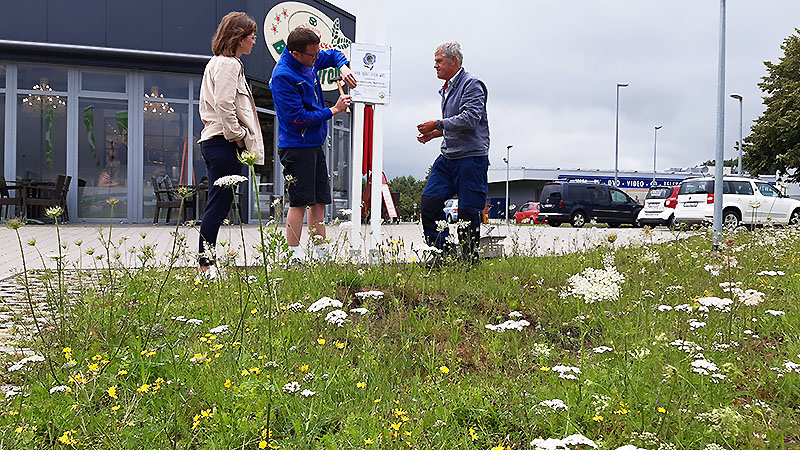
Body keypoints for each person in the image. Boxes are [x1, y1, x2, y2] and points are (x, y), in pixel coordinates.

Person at [270, 26, 356, 263]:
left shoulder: (309, 60)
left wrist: (343, 65)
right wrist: (333, 110)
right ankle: (292, 256)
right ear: (296, 53)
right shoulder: (283, 76)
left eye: (317, 54)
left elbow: (334, 54)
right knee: (299, 200)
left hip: (314, 144)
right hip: (296, 146)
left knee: (319, 199)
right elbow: (296, 118)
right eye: (312, 56)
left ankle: (320, 254)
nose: (317, 59)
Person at [196, 11, 265, 278]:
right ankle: (206, 265)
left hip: (215, 141)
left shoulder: (218, 62)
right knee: (219, 203)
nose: (254, 42)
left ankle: (206, 262)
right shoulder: (229, 64)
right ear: (239, 38)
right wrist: (237, 136)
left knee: (220, 202)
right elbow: (225, 104)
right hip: (223, 142)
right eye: (251, 37)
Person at [417, 41, 490, 264]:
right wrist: (435, 133)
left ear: (453, 61)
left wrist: (437, 123)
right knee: (429, 202)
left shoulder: (472, 85)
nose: (435, 66)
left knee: (468, 214)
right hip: (448, 157)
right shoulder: (447, 88)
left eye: (439, 61)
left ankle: (468, 262)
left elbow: (470, 119)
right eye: (435, 61)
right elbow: (456, 124)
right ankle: (443, 256)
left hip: (471, 158)